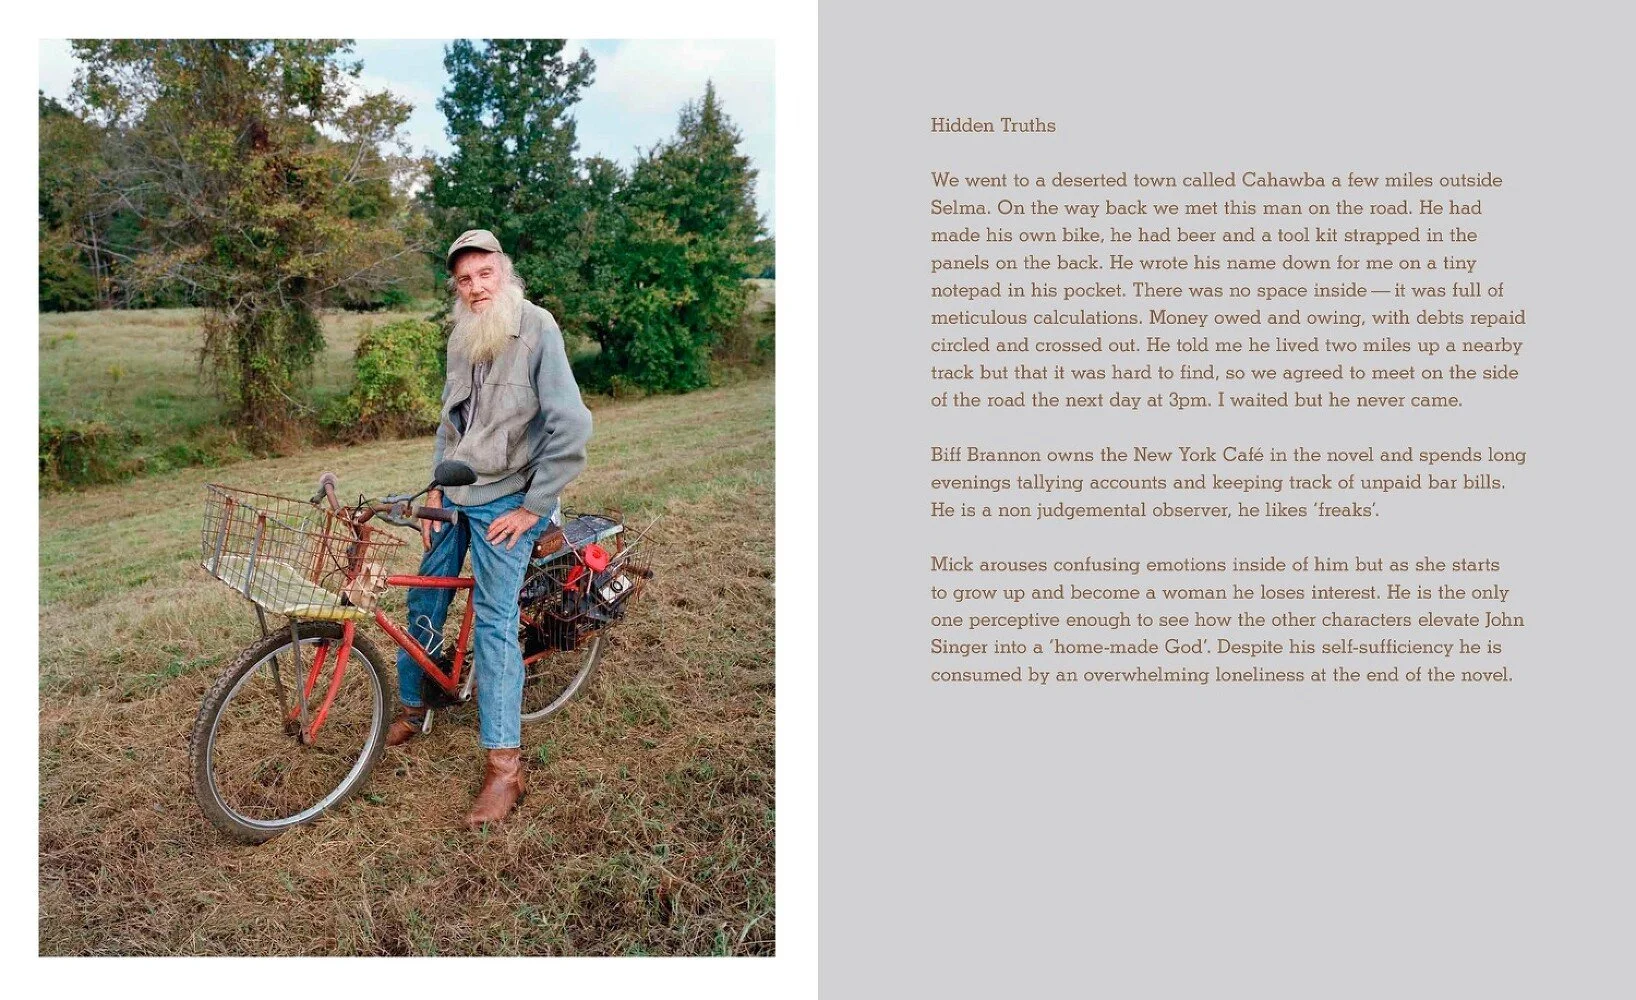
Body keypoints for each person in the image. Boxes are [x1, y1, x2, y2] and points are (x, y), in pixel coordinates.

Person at [389, 228, 593, 829]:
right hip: (457, 492)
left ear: (503, 271)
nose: (476, 288)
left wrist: (533, 508)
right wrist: (436, 489)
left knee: (496, 624)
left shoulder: (538, 328)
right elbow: (449, 426)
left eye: (485, 274)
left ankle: (506, 769)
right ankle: (415, 703)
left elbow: (572, 427)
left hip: (509, 497)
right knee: (423, 593)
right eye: (464, 279)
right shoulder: (461, 336)